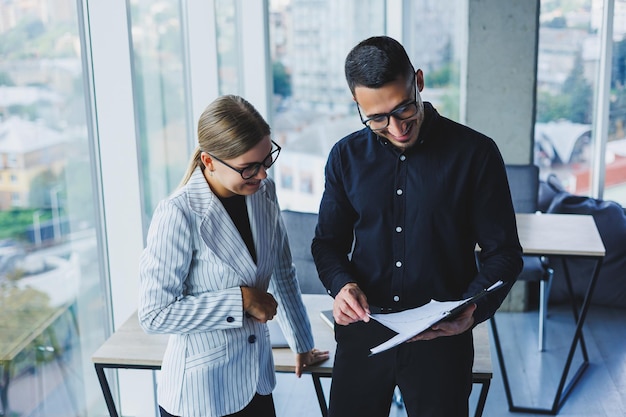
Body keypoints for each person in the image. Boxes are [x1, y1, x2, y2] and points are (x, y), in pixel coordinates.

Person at [311, 36, 523, 417]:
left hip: (442, 340)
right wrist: (342, 286)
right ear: (357, 105)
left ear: (419, 81)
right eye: (376, 118)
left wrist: (473, 307)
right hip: (364, 334)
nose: (395, 128)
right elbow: (327, 244)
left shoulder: (476, 153)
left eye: (404, 108)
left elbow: (504, 253)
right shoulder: (344, 156)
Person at [139, 94, 329, 417]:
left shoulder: (262, 192)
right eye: (249, 168)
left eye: (267, 160)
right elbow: (154, 314)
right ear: (209, 161)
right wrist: (239, 301)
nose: (263, 175)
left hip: (257, 383)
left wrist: (302, 343)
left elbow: (282, 269)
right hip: (200, 396)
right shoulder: (178, 214)